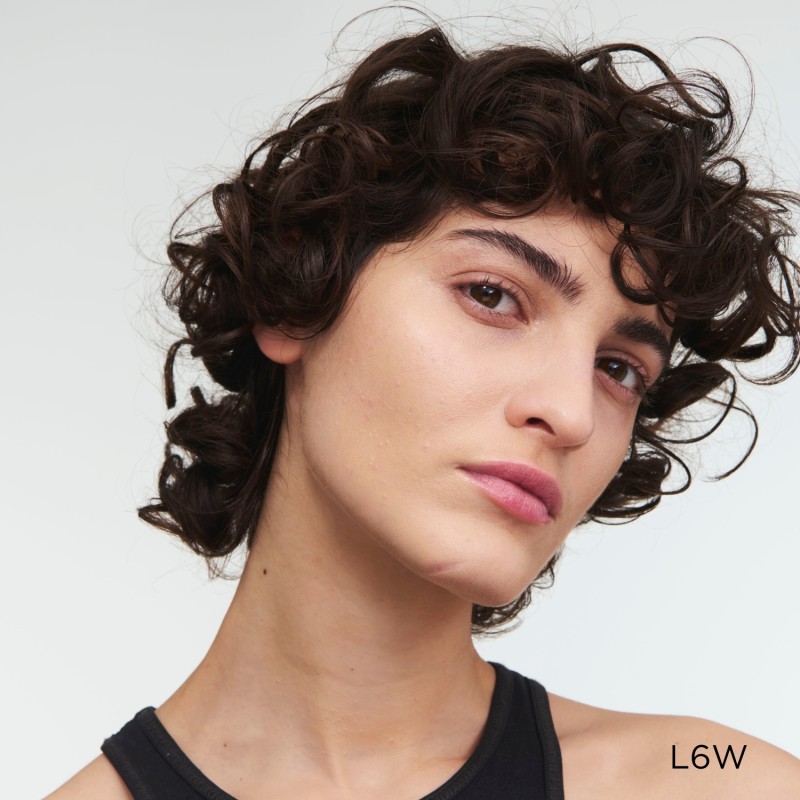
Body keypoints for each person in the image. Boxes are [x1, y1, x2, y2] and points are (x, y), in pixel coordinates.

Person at [46, 24, 800, 800]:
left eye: (618, 369)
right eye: (492, 295)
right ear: (296, 296)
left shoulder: (717, 780)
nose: (571, 413)